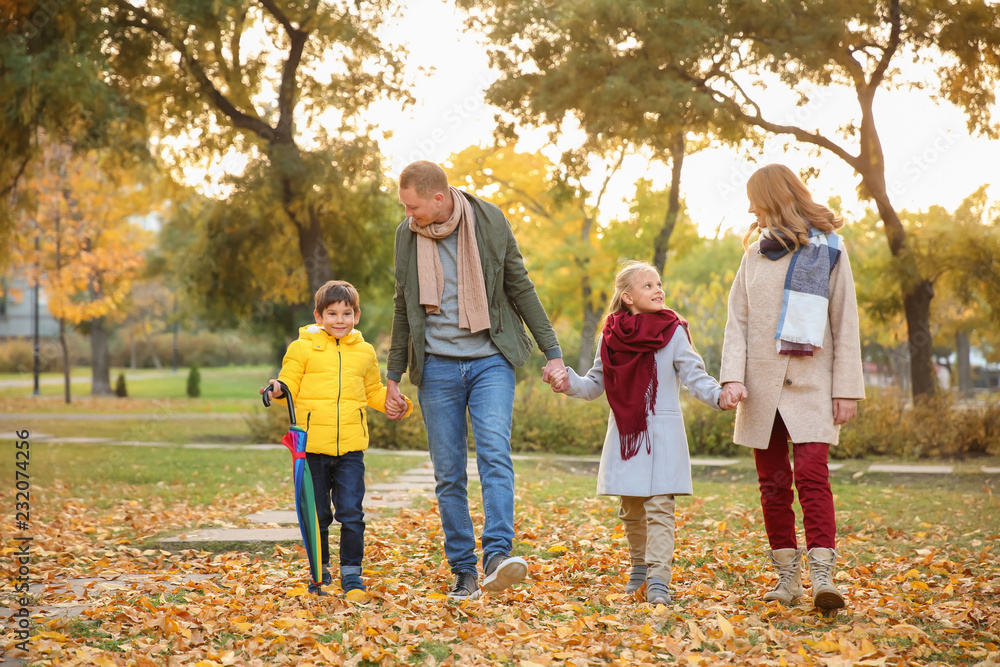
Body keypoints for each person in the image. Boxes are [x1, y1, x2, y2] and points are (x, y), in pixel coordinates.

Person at [384, 160, 566, 600]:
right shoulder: (406, 236)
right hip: (437, 368)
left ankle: (497, 557)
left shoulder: (489, 220)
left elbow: (520, 288)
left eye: (414, 207)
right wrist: (393, 376)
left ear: (439, 198)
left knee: (494, 457)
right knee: (448, 474)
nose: (409, 216)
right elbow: (403, 303)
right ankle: (463, 569)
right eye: (405, 208)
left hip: (490, 361)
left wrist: (553, 352)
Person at [545, 261, 744, 604]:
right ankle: (639, 567)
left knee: (661, 507)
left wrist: (718, 395)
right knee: (632, 507)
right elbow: (595, 383)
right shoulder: (610, 337)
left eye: (658, 283)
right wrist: (567, 382)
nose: (658, 290)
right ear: (627, 297)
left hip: (663, 431)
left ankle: (658, 580)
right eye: (648, 286)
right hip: (628, 434)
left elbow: (694, 374)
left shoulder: (673, 330)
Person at [719, 164, 865, 612]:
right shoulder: (753, 256)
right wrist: (732, 378)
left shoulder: (832, 252)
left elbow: (845, 323)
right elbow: (737, 324)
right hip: (760, 389)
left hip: (813, 386)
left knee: (812, 476)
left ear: (774, 198)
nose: (749, 209)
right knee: (773, 484)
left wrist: (847, 389)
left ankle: (823, 577)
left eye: (754, 200)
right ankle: (788, 579)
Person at [261, 280, 412, 595]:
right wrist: (276, 388)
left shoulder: (365, 352)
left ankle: (352, 574)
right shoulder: (301, 349)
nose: (339, 320)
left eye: (346, 313)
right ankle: (322, 571)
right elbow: (288, 380)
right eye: (332, 313)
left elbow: (371, 391)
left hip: (350, 452)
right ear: (318, 316)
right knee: (318, 515)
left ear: (356, 315)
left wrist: (395, 402)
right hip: (312, 449)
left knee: (351, 513)